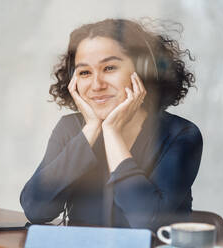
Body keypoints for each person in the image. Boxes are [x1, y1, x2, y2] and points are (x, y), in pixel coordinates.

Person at [20, 18, 202, 231]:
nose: (97, 85)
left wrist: (111, 133)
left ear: (143, 71)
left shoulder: (181, 135)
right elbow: (35, 209)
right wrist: (90, 131)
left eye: (109, 68)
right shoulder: (71, 129)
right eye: (85, 72)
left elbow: (148, 222)